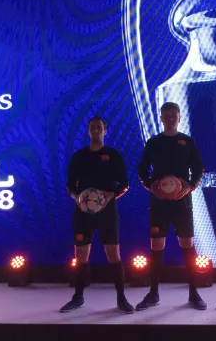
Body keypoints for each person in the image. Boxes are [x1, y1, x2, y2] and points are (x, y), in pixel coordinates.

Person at [135, 102, 207, 311]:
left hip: (182, 202)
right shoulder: (153, 142)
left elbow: (198, 168)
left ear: (179, 117)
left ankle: (194, 293)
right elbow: (142, 170)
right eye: (166, 116)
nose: (170, 119)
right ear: (161, 118)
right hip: (159, 203)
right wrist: (151, 185)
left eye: (173, 115)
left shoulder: (187, 141)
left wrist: (190, 186)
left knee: (187, 245)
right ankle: (153, 294)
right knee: (156, 246)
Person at [60, 116, 134, 314]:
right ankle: (77, 298)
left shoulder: (113, 155)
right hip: (83, 212)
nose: (95, 130)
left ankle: (121, 298)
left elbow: (124, 184)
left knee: (113, 254)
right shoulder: (79, 157)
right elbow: (70, 186)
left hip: (107, 212)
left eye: (99, 127)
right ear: (88, 131)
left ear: (105, 131)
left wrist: (110, 195)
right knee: (81, 255)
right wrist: (77, 197)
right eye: (92, 127)